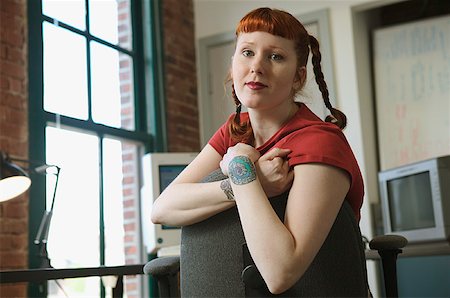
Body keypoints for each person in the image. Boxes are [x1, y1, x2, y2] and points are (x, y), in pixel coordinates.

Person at [152, 7, 364, 295]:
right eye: (247, 52)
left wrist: (242, 169)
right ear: (233, 64)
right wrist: (252, 183)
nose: (257, 67)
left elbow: (280, 273)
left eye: (275, 56)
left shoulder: (319, 141)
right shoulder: (236, 129)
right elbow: (163, 209)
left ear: (298, 77)